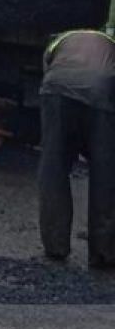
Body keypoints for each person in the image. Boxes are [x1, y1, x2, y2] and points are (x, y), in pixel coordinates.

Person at [38, 28, 115, 267]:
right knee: (105, 173)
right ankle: (104, 253)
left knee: (54, 167)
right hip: (100, 95)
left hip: (56, 90)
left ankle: (55, 246)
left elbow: (47, 69)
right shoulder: (110, 46)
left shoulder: (56, 43)